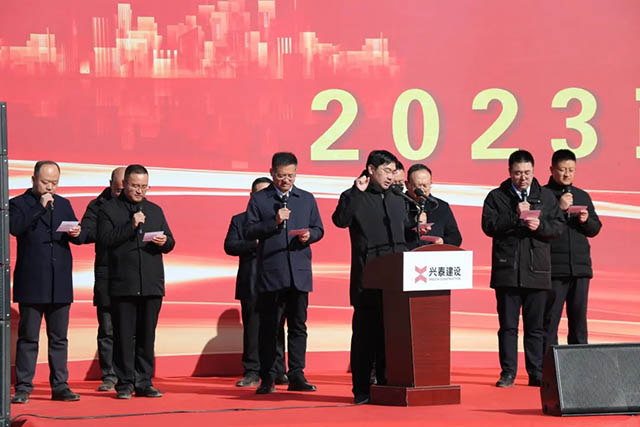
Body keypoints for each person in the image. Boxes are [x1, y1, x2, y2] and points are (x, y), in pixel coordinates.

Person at [481, 150, 564, 388]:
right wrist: (514, 216)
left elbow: (558, 228)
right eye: (518, 173)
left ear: (534, 171)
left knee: (535, 328)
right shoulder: (497, 197)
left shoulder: (546, 197)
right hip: (507, 272)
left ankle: (536, 372)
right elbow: (488, 226)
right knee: (508, 327)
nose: (523, 178)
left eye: (527, 172)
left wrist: (540, 226)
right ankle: (508, 372)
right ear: (510, 172)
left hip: (537, 272)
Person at [332, 150, 408, 404]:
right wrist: (356, 192)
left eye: (393, 171)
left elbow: (406, 234)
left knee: (390, 337)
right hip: (368, 281)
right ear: (371, 170)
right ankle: (362, 390)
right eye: (386, 171)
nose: (390, 176)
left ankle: (386, 385)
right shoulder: (354, 195)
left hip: (396, 283)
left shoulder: (398, 198)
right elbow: (340, 220)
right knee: (365, 338)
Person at [245, 152, 324, 394]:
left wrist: (311, 235)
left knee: (298, 326)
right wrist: (274, 222)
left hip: (299, 273)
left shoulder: (306, 198)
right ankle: (268, 376)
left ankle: (297, 374)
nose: (286, 180)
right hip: (272, 274)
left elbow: (319, 228)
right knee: (270, 327)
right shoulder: (260, 200)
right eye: (281, 176)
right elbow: (249, 230)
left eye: (290, 175)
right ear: (272, 173)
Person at [98, 164, 175, 399]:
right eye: (135, 186)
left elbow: (171, 241)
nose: (140, 191)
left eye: (144, 186)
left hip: (151, 284)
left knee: (146, 336)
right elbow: (104, 240)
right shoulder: (109, 209)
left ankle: (144, 382)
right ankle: (124, 384)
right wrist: (130, 226)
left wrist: (164, 242)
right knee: (123, 337)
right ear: (124, 185)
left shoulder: (155, 210)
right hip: (124, 285)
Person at [9, 161, 82, 403]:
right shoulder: (18, 204)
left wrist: (76, 233)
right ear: (33, 180)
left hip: (59, 281)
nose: (50, 187)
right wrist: (39, 208)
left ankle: (60, 386)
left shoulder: (64, 204)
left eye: (54, 183)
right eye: (45, 182)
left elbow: (77, 235)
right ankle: (23, 387)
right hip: (32, 281)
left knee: (59, 338)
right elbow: (15, 228)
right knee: (28, 338)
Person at [223, 177, 288, 388]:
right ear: (252, 196)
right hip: (251, 281)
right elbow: (230, 246)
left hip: (275, 281)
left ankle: (279, 370)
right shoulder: (240, 220)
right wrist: (255, 244)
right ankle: (252, 371)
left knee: (277, 327)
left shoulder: (281, 219)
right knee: (252, 328)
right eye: (259, 193)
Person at [543, 149, 602, 347]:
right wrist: (559, 208)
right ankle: (548, 365)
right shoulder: (543, 195)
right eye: (562, 169)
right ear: (552, 169)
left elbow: (595, 228)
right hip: (553, 270)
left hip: (580, 269)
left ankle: (579, 365)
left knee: (579, 324)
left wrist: (586, 221)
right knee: (549, 322)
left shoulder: (581, 195)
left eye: (571, 170)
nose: (567, 174)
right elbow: (539, 226)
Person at [78, 167, 125, 392]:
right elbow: (86, 232)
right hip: (107, 273)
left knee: (130, 329)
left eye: (125, 189)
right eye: (117, 190)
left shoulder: (139, 205)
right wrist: (107, 231)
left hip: (131, 275)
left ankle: (131, 374)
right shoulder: (97, 205)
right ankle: (109, 375)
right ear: (110, 184)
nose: (121, 193)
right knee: (107, 328)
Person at [404, 164, 462, 249]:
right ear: (407, 184)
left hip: (435, 255)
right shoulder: (398, 205)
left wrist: (443, 241)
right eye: (418, 186)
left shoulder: (441, 207)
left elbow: (456, 238)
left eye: (425, 186)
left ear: (431, 184)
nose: (422, 190)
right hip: (407, 254)